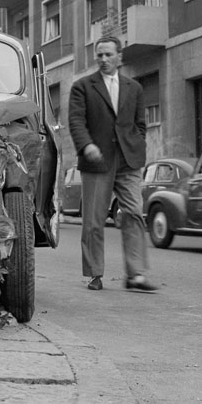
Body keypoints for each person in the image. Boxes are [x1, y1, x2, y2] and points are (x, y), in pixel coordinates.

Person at [68, 34, 158, 293]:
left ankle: (136, 274)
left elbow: (140, 124)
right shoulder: (82, 87)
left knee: (133, 213)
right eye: (100, 55)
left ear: (120, 57)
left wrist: (138, 144)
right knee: (94, 220)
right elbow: (76, 121)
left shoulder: (134, 88)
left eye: (109, 54)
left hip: (128, 161)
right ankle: (95, 273)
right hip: (97, 160)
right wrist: (87, 146)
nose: (104, 59)